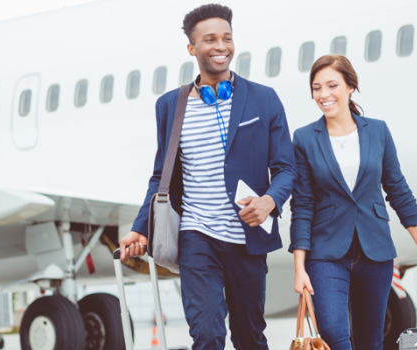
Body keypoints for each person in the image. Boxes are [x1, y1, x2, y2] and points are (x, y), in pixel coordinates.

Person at [118, 4, 296, 350]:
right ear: (192, 48)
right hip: (196, 236)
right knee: (208, 334)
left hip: (248, 237)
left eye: (227, 38)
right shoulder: (171, 105)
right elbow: (162, 176)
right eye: (210, 39)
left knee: (249, 337)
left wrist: (270, 201)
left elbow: (287, 168)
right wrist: (139, 227)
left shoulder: (264, 99)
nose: (221, 46)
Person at [289, 55, 417, 350]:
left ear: (350, 86)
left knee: (370, 342)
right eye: (316, 88)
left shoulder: (377, 131)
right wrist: (299, 268)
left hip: (375, 252)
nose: (323, 94)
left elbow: (399, 192)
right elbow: (302, 206)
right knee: (335, 336)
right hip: (326, 253)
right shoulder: (304, 139)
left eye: (332, 85)